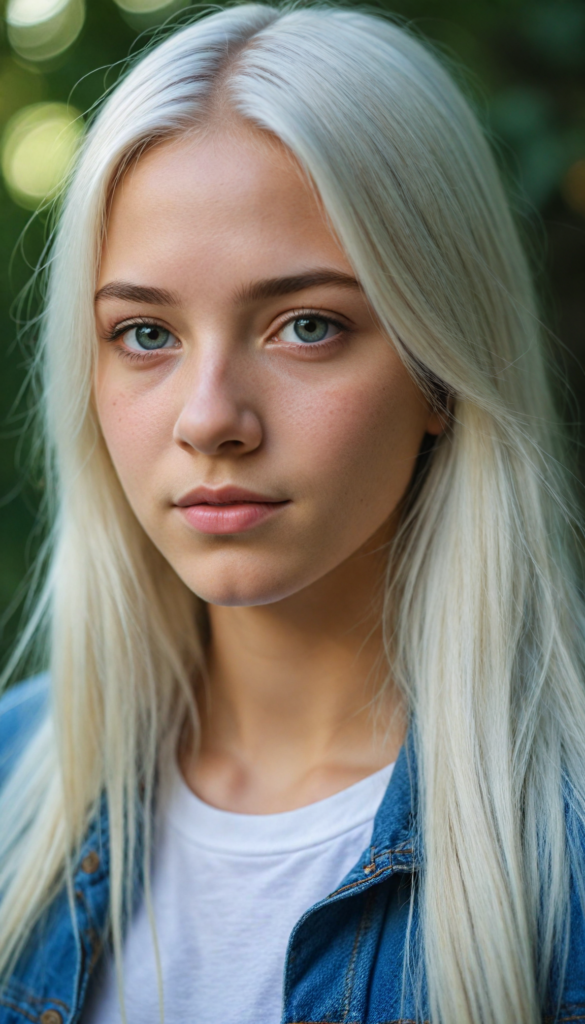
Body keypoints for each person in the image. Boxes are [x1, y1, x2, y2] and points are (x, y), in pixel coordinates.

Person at [1, 4, 585, 1023]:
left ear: (440, 367)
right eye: (144, 332)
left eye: (306, 325)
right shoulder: (10, 779)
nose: (211, 418)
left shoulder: (561, 849)